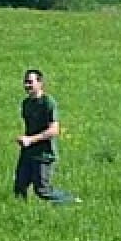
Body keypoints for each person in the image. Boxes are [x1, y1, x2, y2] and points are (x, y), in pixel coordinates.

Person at [14, 69, 79, 203]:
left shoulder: (48, 103)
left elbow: (54, 130)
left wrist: (30, 140)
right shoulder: (26, 104)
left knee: (43, 191)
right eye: (25, 82)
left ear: (40, 83)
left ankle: (72, 201)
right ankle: (20, 213)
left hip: (44, 154)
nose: (27, 85)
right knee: (19, 188)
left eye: (30, 82)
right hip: (28, 152)